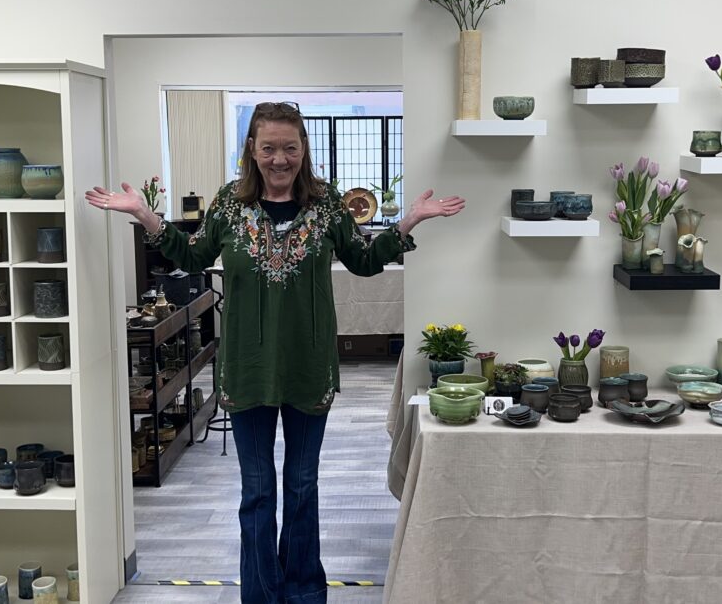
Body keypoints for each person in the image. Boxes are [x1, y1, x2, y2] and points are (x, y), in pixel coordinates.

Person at [86, 101, 464, 603]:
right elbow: (192, 254)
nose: (280, 158)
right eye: (269, 148)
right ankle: (262, 595)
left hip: (309, 369)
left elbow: (366, 261)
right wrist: (144, 215)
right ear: (252, 150)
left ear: (303, 149)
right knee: (258, 491)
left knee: (302, 486)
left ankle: (306, 592)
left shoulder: (326, 205)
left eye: (289, 147)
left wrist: (408, 221)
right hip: (246, 370)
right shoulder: (227, 205)